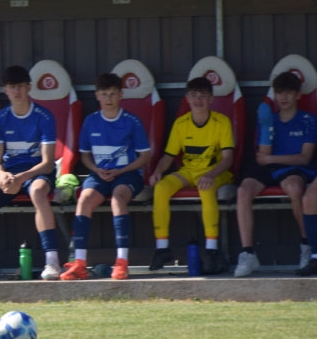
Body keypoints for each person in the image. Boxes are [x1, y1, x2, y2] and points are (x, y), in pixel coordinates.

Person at [0, 65, 63, 281]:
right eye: (12, 87)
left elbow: (48, 163)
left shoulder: (44, 117)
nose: (17, 91)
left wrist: (21, 178)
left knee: (38, 192)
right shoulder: (0, 119)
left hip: (35, 174)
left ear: (29, 88)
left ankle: (52, 261)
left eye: (20, 86)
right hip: (9, 176)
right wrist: (3, 176)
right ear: (5, 90)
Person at [61, 73, 152, 281]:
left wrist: (121, 171)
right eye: (104, 94)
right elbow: (85, 155)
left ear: (121, 95)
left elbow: (145, 157)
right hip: (99, 174)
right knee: (84, 199)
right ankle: (79, 263)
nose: (108, 99)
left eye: (112, 94)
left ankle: (122, 262)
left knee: (118, 198)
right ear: (97, 96)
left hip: (127, 174)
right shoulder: (90, 121)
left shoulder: (132, 122)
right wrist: (96, 168)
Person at [148, 76, 234, 274]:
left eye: (202, 96)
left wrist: (210, 175)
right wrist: (158, 171)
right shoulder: (181, 123)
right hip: (188, 172)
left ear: (211, 99)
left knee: (206, 187)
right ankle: (162, 248)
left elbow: (228, 159)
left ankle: (212, 251)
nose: (198, 100)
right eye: (194, 95)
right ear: (187, 98)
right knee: (161, 188)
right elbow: (168, 156)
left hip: (216, 173)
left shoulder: (222, 122)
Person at [234, 72, 317, 276]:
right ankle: (248, 253)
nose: (283, 97)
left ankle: (306, 246)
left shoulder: (308, 120)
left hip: (294, 168)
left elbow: (305, 158)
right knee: (243, 191)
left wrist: (271, 159)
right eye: (279, 93)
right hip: (270, 167)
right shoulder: (268, 118)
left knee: (295, 187)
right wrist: (266, 129)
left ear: (298, 95)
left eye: (288, 93)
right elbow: (262, 156)